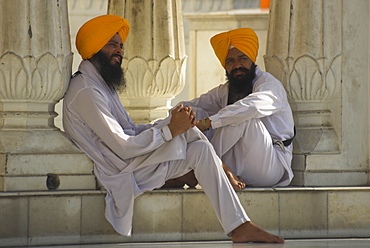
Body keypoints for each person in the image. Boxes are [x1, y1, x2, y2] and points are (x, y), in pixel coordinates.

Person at [63, 15, 284, 243]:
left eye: (120, 45)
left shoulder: (100, 84)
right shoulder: (87, 91)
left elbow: (131, 129)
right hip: (119, 169)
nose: (119, 50)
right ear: (95, 46)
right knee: (191, 136)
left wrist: (173, 124)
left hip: (129, 162)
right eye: (112, 44)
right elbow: (124, 147)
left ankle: (238, 225)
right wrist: (169, 130)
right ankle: (218, 171)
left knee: (197, 146)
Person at [180, 28, 295, 190]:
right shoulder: (225, 90)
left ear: (252, 60)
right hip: (236, 163)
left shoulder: (269, 85)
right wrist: (178, 119)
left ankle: (203, 168)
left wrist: (208, 123)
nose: (237, 65)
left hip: (270, 166)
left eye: (242, 58)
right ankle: (190, 165)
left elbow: (251, 107)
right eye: (230, 61)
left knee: (242, 116)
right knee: (192, 113)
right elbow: (190, 105)